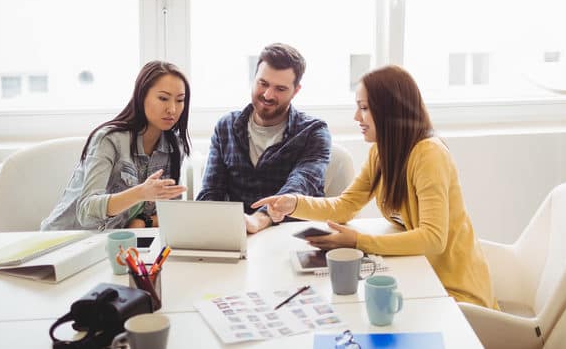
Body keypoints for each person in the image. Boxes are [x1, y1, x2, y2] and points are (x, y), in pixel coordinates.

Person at [253, 65, 496, 308]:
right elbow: (345, 206)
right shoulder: (381, 153)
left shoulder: (429, 154)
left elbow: (433, 239)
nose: (356, 117)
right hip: (421, 277)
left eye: (364, 108)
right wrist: (292, 203)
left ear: (390, 110)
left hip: (455, 293)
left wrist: (359, 241)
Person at [197, 43, 331, 234]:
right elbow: (211, 192)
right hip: (240, 236)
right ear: (254, 79)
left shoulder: (314, 131)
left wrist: (259, 219)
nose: (268, 95)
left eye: (280, 89)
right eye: (263, 83)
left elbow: (300, 185)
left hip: (293, 237)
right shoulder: (226, 127)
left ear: (296, 90)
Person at [41, 61, 190, 231]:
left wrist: (144, 221)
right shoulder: (109, 139)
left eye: (180, 100)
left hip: (113, 242)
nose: (172, 109)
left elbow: (171, 213)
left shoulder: (175, 147)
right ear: (141, 97)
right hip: (65, 240)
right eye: (163, 98)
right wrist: (140, 193)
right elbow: (86, 211)